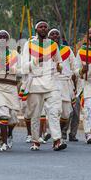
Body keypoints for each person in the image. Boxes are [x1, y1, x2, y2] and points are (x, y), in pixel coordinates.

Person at [21, 20, 67, 151]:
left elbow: (60, 62)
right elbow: (23, 67)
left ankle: (57, 140)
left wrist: (59, 66)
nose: (43, 29)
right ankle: (35, 140)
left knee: (54, 112)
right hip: (35, 83)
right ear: (36, 29)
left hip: (51, 82)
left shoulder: (53, 44)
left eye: (45, 27)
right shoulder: (29, 44)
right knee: (35, 114)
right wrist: (37, 60)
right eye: (40, 27)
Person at [48, 28, 76, 143]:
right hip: (52, 82)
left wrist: (77, 74)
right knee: (55, 110)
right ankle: (57, 137)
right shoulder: (45, 50)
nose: (55, 36)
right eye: (52, 34)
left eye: (57, 34)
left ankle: (58, 130)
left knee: (66, 113)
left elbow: (74, 66)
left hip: (66, 83)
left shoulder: (67, 50)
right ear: (48, 38)